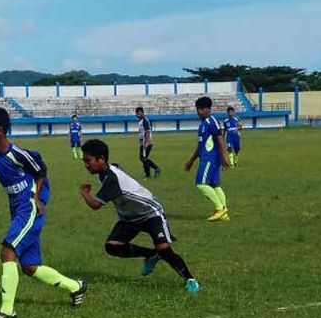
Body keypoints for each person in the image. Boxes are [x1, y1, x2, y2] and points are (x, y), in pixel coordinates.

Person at [0, 108, 87, 318]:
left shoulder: (19, 154)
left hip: (29, 208)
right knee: (30, 267)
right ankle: (77, 287)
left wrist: (37, 198)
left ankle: (7, 312)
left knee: (7, 251)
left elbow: (41, 171)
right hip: (17, 209)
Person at [78, 139, 200, 293]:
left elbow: (95, 205)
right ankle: (151, 255)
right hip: (129, 218)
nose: (86, 164)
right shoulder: (105, 172)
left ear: (101, 159)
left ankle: (190, 279)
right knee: (112, 246)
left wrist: (84, 192)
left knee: (164, 249)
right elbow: (117, 167)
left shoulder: (112, 179)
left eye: (88, 160)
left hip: (151, 213)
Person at [185, 96, 231, 221]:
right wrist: (191, 160)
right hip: (207, 157)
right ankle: (224, 214)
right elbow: (200, 146)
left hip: (210, 158)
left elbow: (220, 138)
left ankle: (220, 209)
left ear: (208, 109)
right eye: (198, 109)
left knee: (201, 184)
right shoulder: (203, 124)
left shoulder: (211, 121)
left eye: (201, 109)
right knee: (214, 185)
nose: (199, 112)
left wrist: (224, 156)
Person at [136, 107, 161, 179]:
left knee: (143, 158)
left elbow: (147, 131)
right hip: (143, 142)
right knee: (143, 158)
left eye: (139, 113)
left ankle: (149, 174)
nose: (138, 115)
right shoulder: (141, 121)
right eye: (137, 113)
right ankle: (155, 169)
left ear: (143, 113)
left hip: (146, 143)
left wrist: (146, 143)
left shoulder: (145, 121)